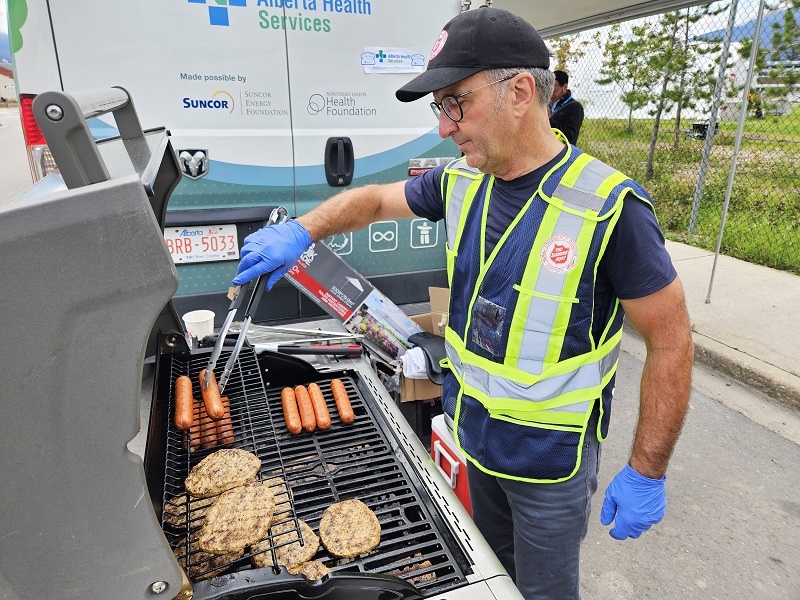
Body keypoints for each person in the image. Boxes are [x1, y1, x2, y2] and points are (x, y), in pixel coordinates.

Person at [232, 8, 693, 600]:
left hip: (549, 466)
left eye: (457, 102)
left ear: (520, 92)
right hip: (476, 441)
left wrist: (647, 470)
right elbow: (372, 200)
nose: (446, 126)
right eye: (440, 107)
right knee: (497, 577)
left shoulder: (608, 207)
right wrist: (302, 231)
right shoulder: (461, 180)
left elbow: (671, 339)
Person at [549, 70, 584, 145]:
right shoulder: (547, 104)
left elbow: (570, 136)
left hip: (563, 152)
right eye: (549, 90)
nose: (551, 94)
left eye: (554, 90)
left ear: (564, 87)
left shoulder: (574, 107)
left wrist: (549, 119)